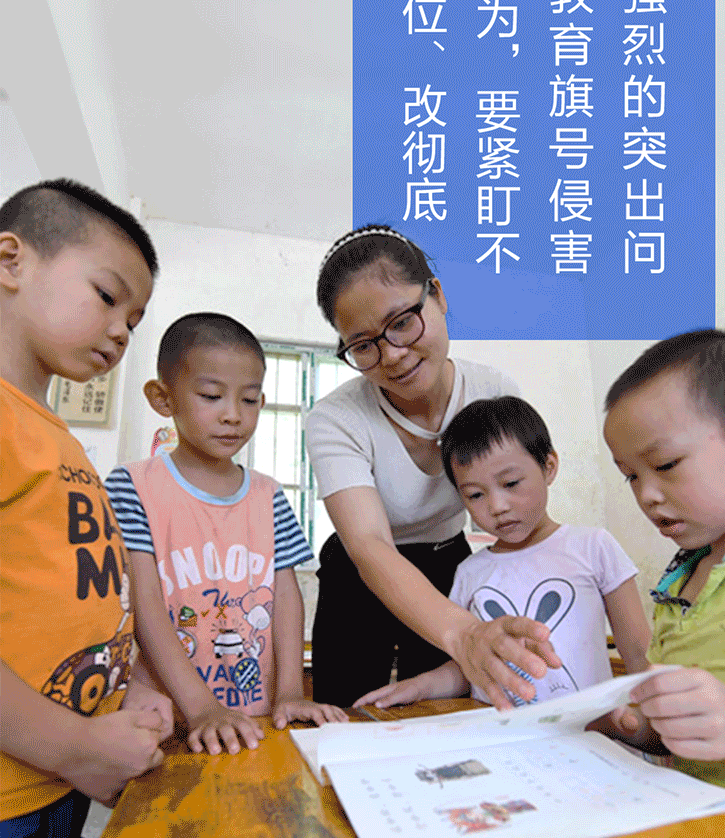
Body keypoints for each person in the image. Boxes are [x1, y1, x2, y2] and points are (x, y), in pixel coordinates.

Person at [306, 224, 562, 708]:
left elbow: (521, 511)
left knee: (441, 710)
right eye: (363, 346)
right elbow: (369, 544)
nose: (393, 356)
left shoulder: (491, 391)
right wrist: (463, 633)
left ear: (437, 296)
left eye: (402, 322)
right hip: (358, 573)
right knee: (347, 712)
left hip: (450, 563)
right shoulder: (336, 419)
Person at [0, 179, 173, 838]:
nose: (122, 331)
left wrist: (120, 693)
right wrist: (74, 746)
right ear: (10, 261)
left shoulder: (59, 441)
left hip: (53, 790)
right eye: (107, 296)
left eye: (134, 319)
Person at [105, 313, 347, 752]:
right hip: (165, 719)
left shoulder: (269, 495)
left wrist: (290, 692)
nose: (233, 415)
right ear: (163, 398)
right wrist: (202, 708)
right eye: (211, 396)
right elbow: (144, 602)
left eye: (250, 400)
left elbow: (285, 597)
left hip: (256, 717)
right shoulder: (132, 486)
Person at [356, 396, 650, 709]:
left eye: (510, 483)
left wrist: (651, 722)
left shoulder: (594, 546)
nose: (497, 506)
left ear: (549, 467)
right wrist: (420, 685)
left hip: (588, 731)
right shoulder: (470, 571)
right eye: (475, 495)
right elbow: (470, 666)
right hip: (502, 734)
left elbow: (638, 653)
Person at [603, 328, 725, 789]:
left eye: (665, 464)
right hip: (694, 817)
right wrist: (627, 723)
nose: (646, 495)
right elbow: (672, 736)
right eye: (630, 476)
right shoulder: (675, 585)